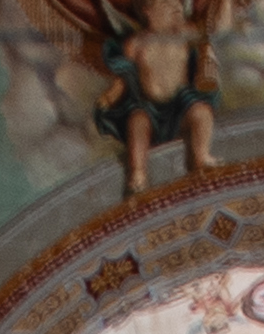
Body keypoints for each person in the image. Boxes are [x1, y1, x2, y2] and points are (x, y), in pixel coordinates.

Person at [94, 0, 243, 198]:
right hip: (149, 109)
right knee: (137, 121)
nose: (176, 8)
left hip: (181, 107)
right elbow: (125, 78)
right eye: (167, 4)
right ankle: (138, 176)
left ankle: (201, 157)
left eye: (179, 5)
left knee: (201, 111)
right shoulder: (136, 44)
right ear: (147, 11)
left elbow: (218, 31)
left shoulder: (183, 34)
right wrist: (109, 97)